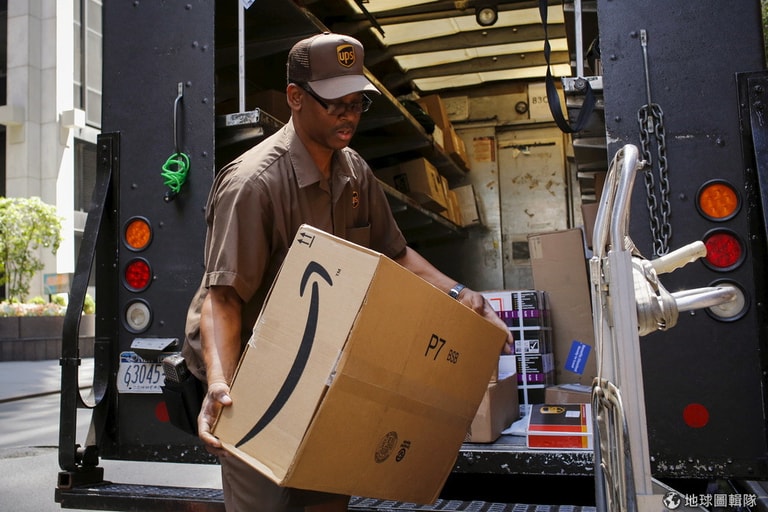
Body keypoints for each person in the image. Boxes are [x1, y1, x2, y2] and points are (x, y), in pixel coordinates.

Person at [182, 31, 514, 512]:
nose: (349, 116)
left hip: (322, 363)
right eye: (335, 104)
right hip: (254, 371)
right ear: (295, 97)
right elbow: (224, 298)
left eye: (357, 103)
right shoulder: (254, 184)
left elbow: (394, 253)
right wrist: (222, 386)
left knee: (325, 495)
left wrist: (462, 296)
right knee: (266, 502)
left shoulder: (355, 172)